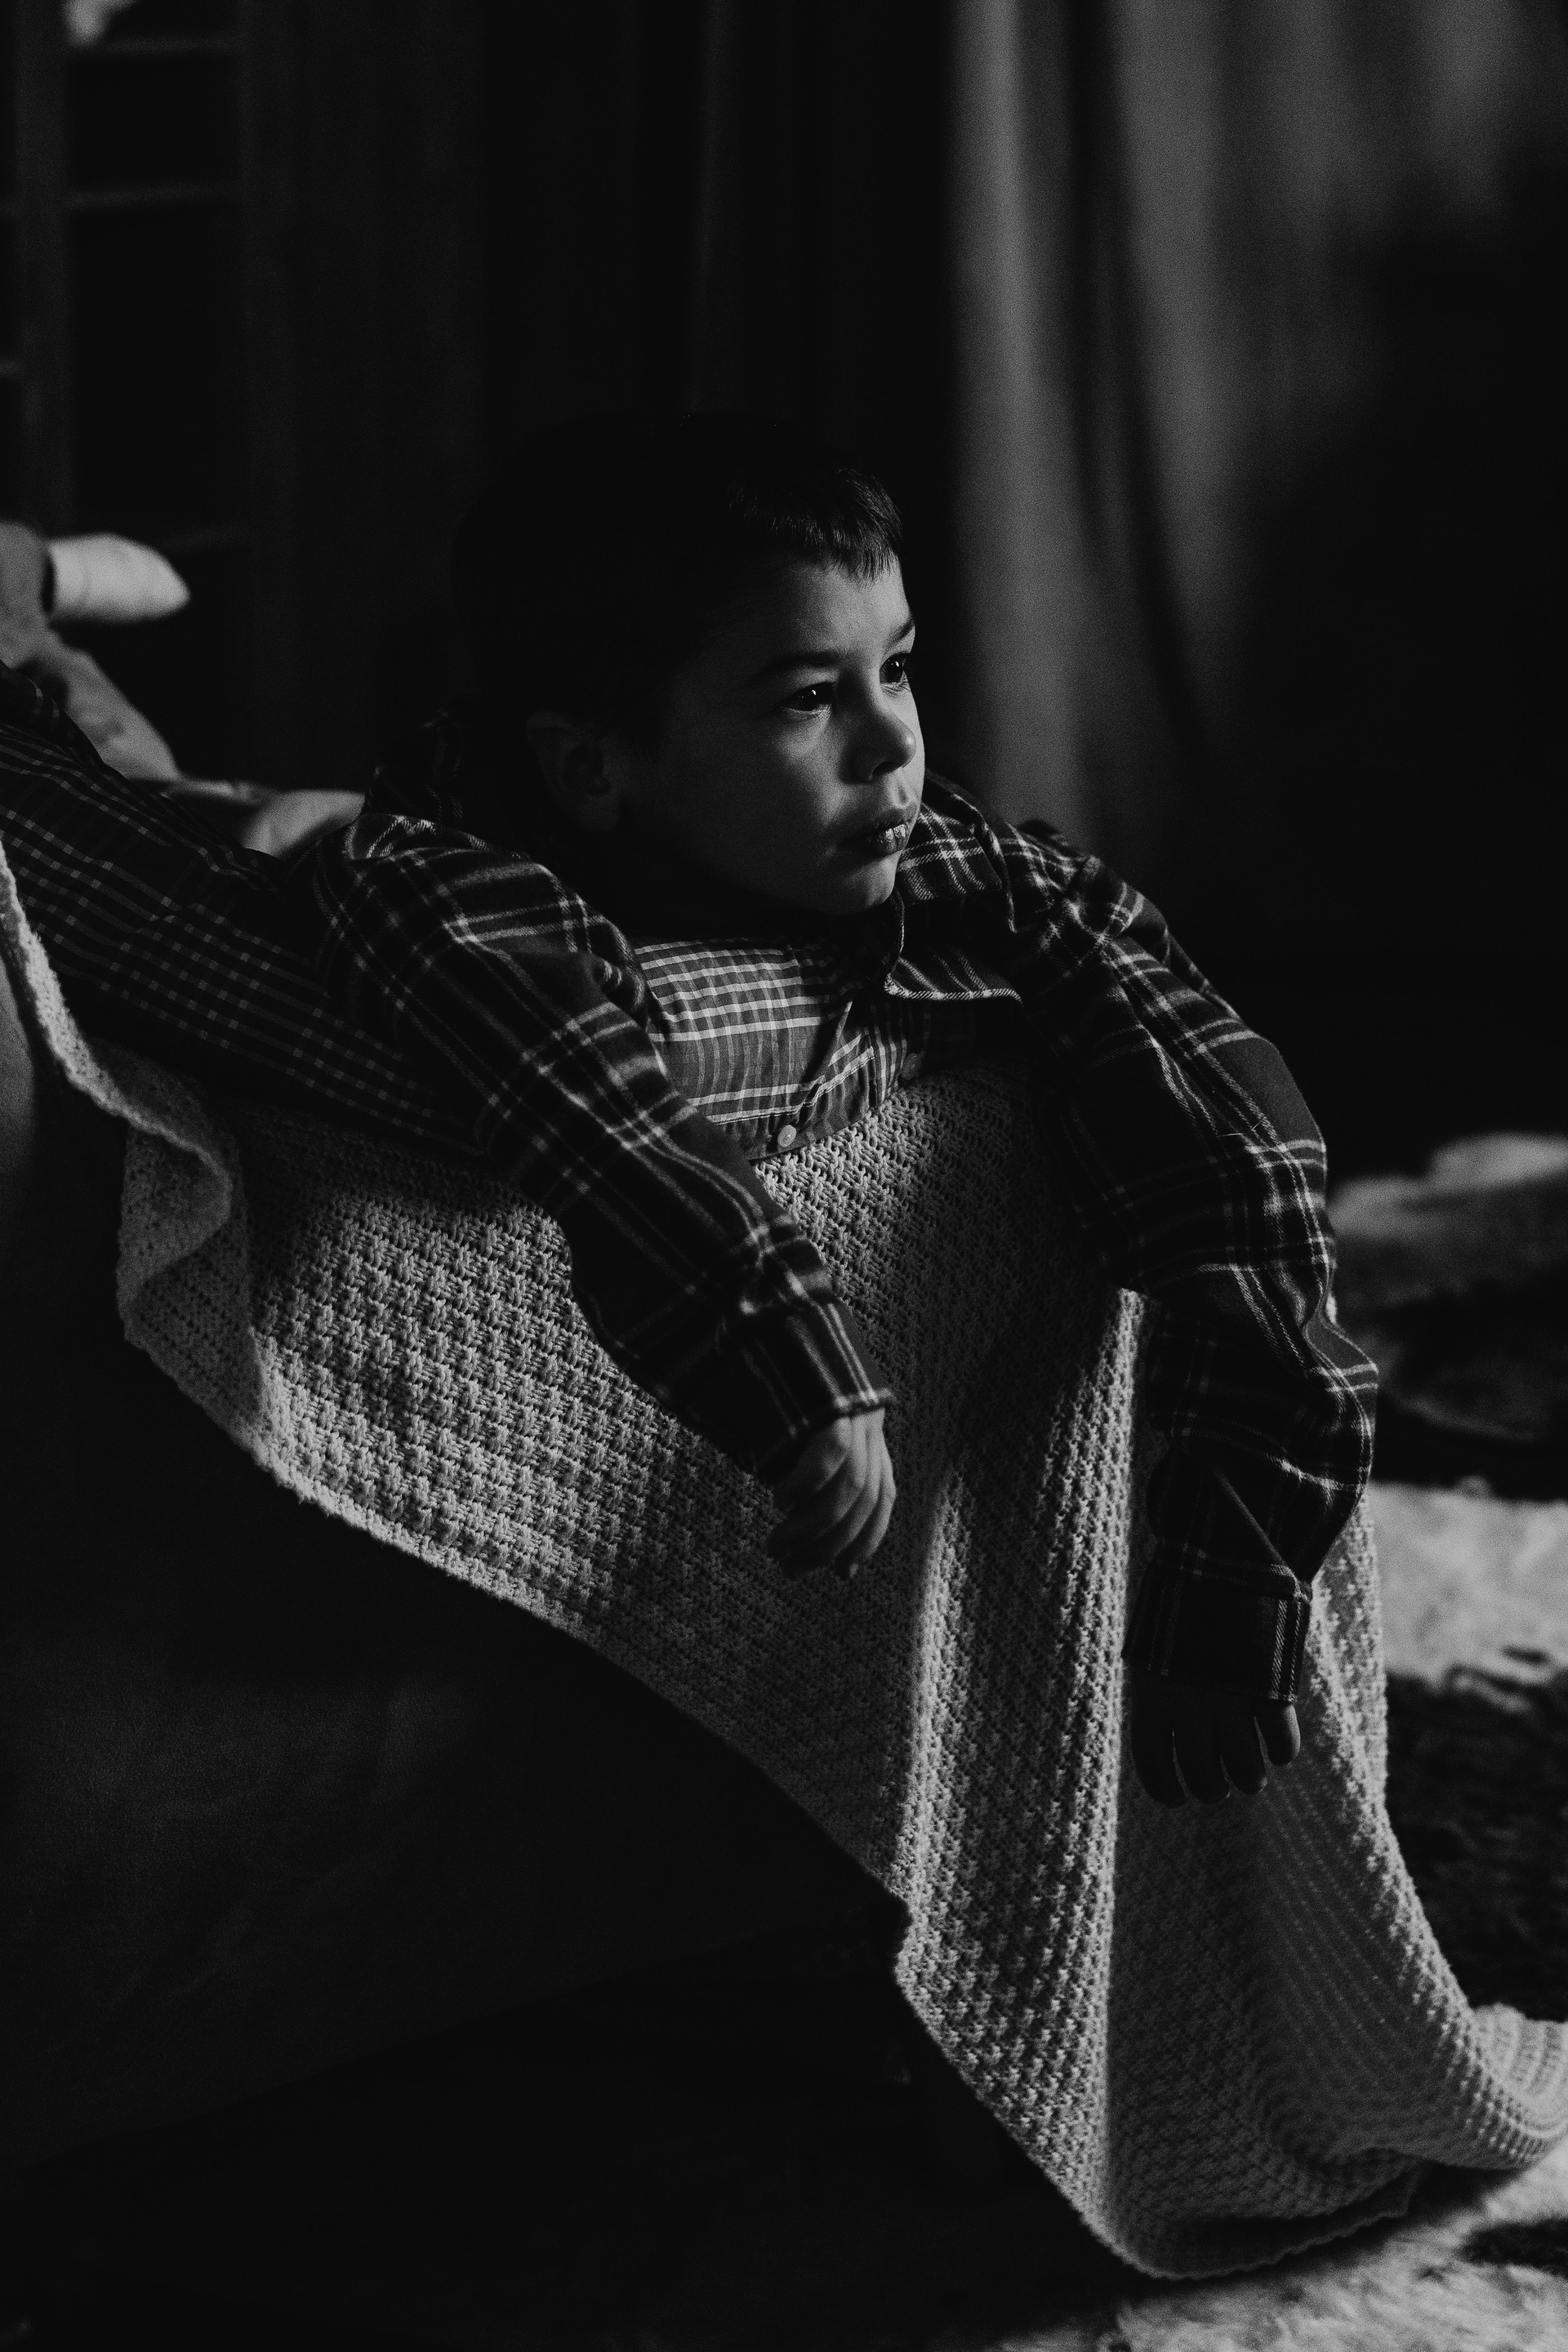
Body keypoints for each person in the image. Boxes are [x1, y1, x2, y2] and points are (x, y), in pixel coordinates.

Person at [0, 412, 1376, 1811]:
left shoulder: (939, 852)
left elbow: (1221, 1114)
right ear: (594, 768)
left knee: (190, 782)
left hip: (406, 822)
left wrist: (1240, 1545)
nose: (893, 742)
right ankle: (26, 596)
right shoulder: (434, 883)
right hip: (284, 859)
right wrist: (783, 1354)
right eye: (807, 698)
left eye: (898, 668)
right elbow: (594, 1105)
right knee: (111, 774)